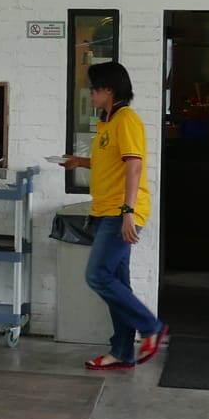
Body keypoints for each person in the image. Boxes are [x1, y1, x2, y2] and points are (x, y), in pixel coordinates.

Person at [58, 61, 165, 372]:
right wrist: (80, 162)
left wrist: (128, 213)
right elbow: (112, 164)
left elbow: (134, 166)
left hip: (120, 212)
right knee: (118, 284)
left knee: (97, 275)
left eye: (94, 88)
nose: (90, 93)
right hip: (107, 210)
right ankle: (122, 351)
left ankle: (151, 328)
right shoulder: (108, 122)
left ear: (110, 90)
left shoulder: (126, 120)